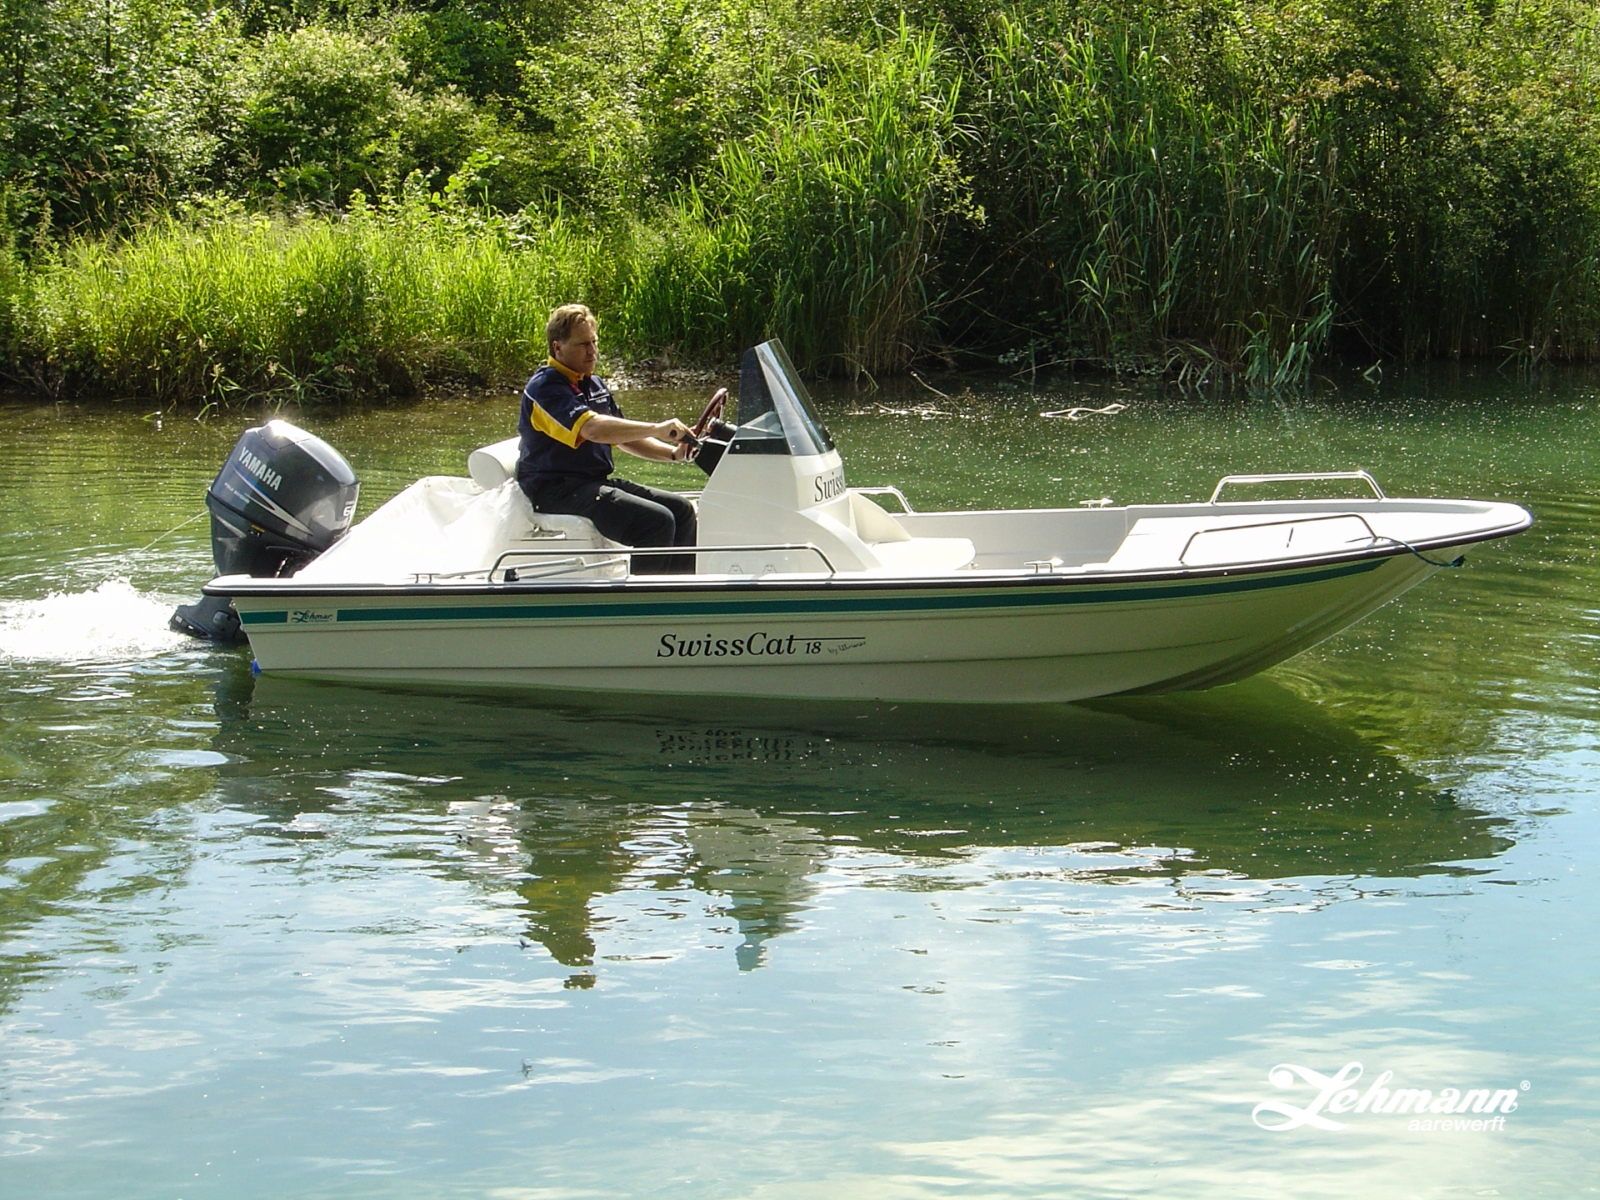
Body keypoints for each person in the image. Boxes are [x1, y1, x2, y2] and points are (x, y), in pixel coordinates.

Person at [516, 304, 705, 574]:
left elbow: (623, 437)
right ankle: (645, 598)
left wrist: (673, 453)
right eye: (583, 344)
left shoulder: (593, 384)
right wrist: (656, 427)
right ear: (557, 348)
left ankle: (679, 590)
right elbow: (593, 429)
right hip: (555, 491)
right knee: (655, 522)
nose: (592, 351)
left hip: (591, 483)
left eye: (594, 342)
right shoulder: (545, 388)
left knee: (681, 510)